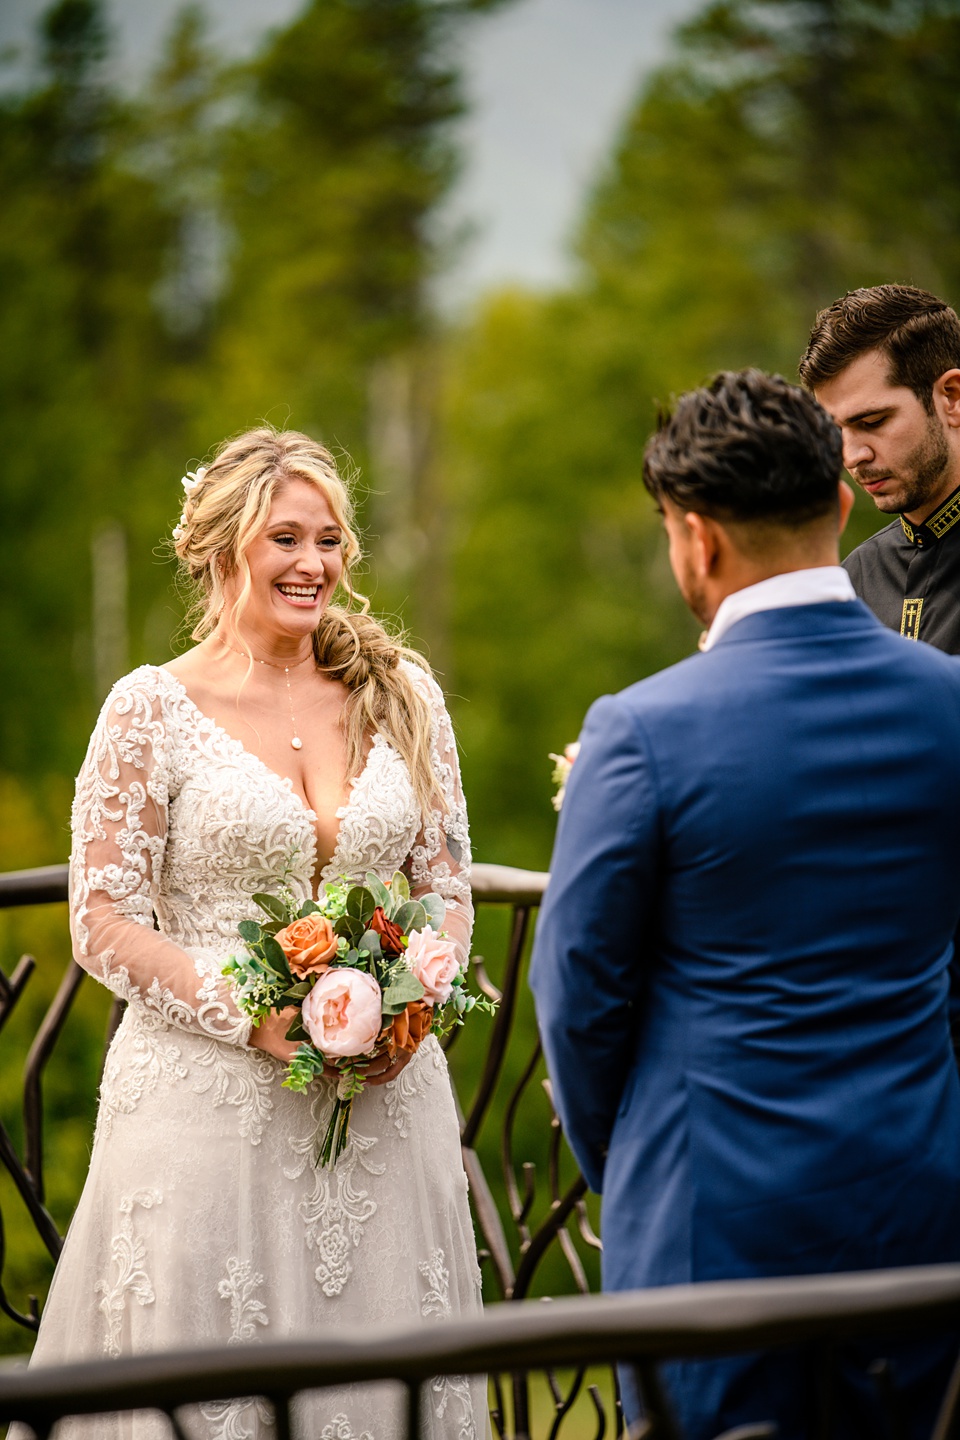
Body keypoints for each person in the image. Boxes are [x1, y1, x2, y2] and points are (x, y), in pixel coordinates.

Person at [18, 428, 485, 1440]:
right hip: (205, 1115)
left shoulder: (403, 696)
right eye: (285, 538)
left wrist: (415, 1000)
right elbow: (102, 921)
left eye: (329, 540)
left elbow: (449, 890)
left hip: (385, 1115)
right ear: (223, 548)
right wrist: (252, 1015)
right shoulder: (149, 709)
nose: (314, 564)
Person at [529, 370, 960, 1440]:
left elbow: (575, 1004)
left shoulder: (638, 732)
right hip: (924, 1215)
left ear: (694, 538)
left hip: (713, 1238)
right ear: (843, 505)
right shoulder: (950, 705)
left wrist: (634, 1171)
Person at [799, 283, 960, 649]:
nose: (852, 456)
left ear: (951, 397)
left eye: (872, 422)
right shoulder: (851, 582)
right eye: (834, 431)